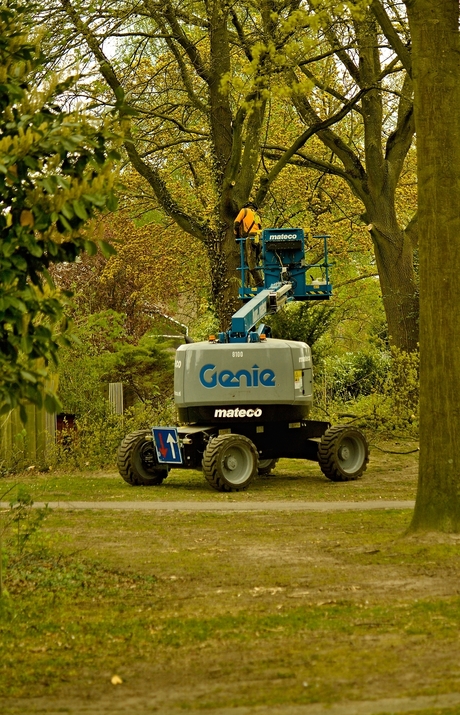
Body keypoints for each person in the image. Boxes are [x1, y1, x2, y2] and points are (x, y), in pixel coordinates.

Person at [234, 202, 263, 288]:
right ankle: (260, 280)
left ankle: (259, 283)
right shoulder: (256, 214)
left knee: (250, 263)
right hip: (259, 238)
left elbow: (236, 223)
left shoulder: (244, 211)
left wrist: (237, 236)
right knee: (257, 261)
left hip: (250, 238)